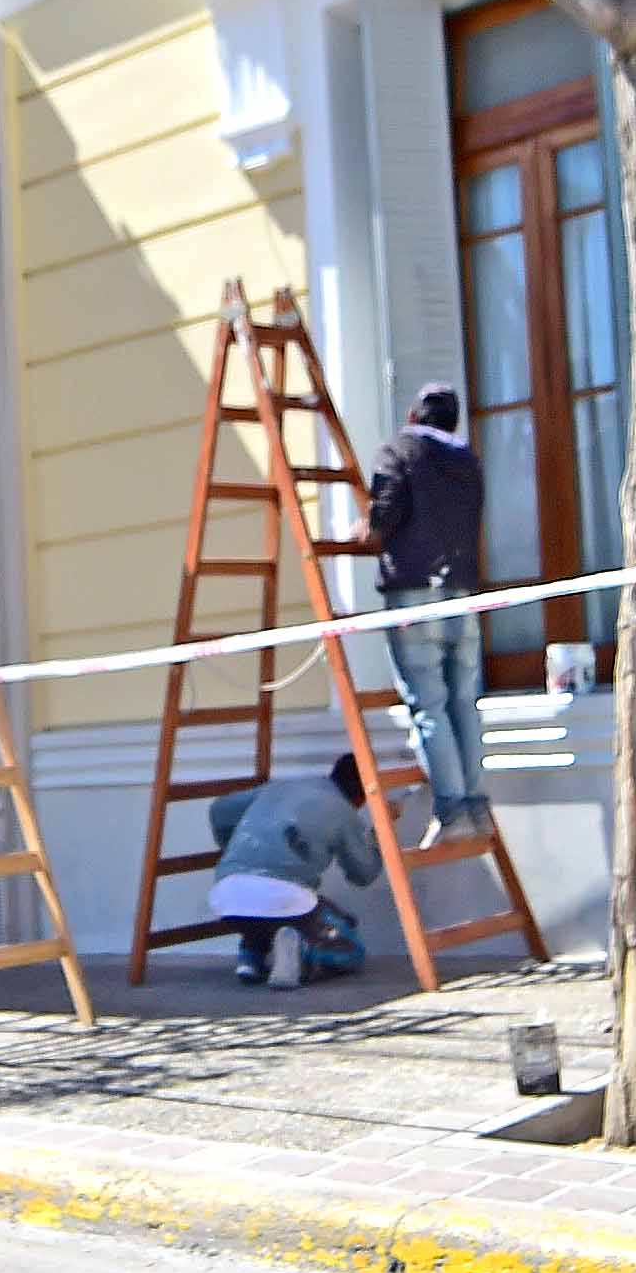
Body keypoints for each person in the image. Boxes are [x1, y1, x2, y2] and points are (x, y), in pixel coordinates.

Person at [366, 382, 493, 842]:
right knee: (464, 702)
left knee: (429, 706)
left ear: (414, 417)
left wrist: (367, 527)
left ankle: (453, 808)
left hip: (416, 594)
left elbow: (384, 514)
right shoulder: (469, 461)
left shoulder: (400, 449)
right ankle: (478, 806)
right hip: (463, 593)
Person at [205, 752, 382, 989]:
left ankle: (250, 959)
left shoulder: (285, 786)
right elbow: (364, 874)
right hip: (285, 898)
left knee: (263, 917)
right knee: (351, 950)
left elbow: (219, 810)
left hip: (226, 894)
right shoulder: (344, 812)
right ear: (362, 797)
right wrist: (378, 836)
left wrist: (233, 848)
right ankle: (303, 954)